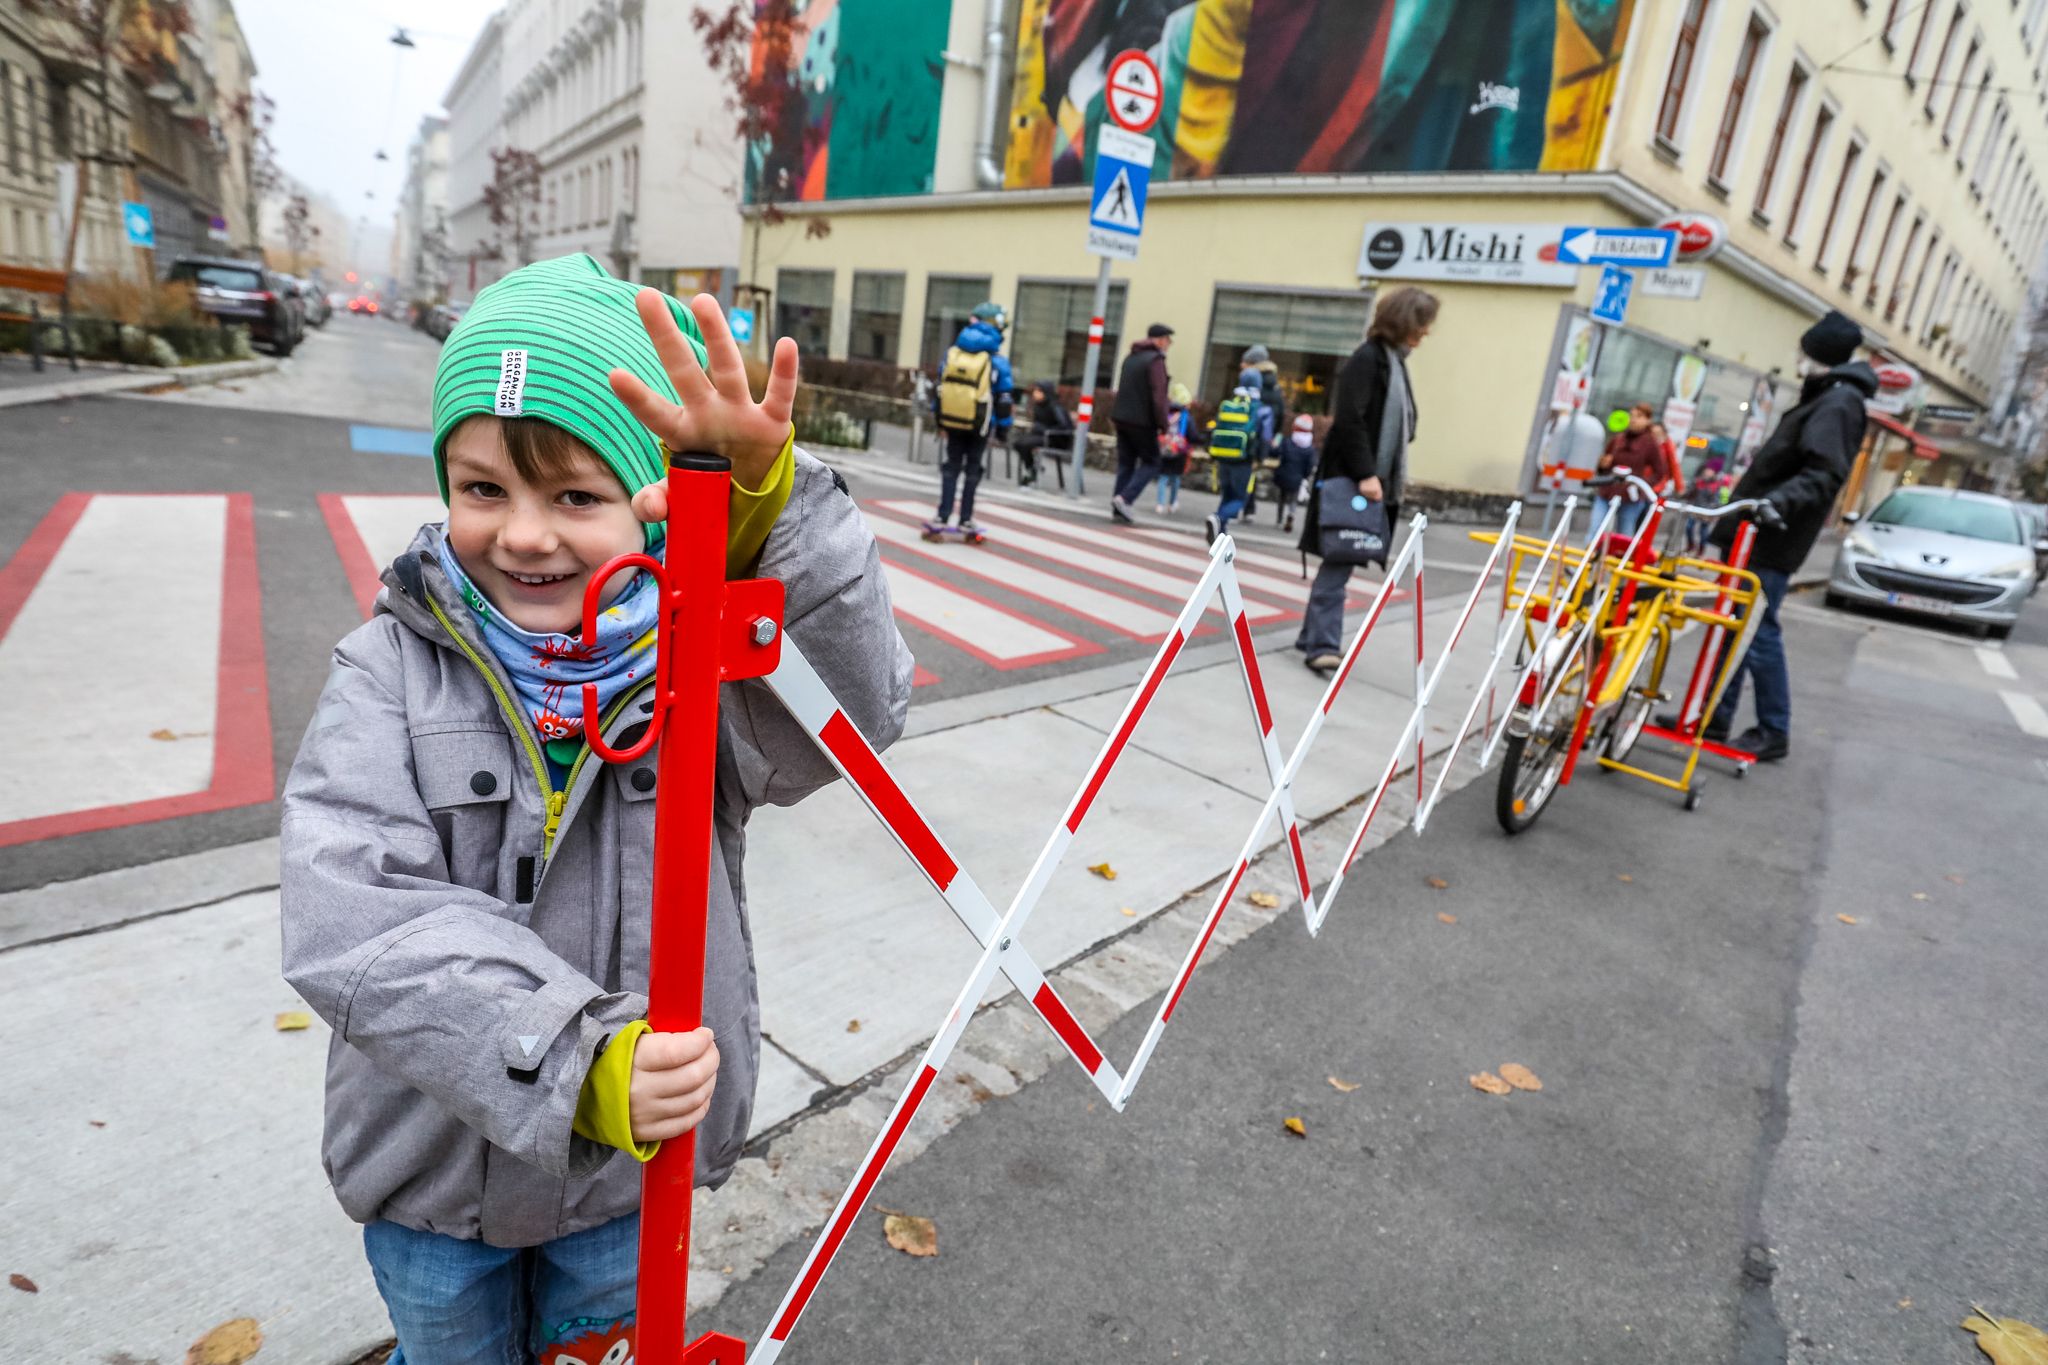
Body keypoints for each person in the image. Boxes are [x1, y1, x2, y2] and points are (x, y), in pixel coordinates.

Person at [280, 253, 915, 1361]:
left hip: (623, 1193)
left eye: (575, 495)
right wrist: (575, 1061)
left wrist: (771, 521)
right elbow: (353, 919)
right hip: (433, 1185)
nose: (523, 534)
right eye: (483, 489)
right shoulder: (387, 666)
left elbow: (848, 716)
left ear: (652, 497)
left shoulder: (697, 657)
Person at [1670, 309, 1873, 763]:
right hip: (1759, 533)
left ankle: (1772, 729)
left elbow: (1824, 472)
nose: (1798, 358)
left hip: (1770, 536)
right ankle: (1712, 717)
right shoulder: (1828, 397)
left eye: (1804, 351)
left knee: (1757, 631)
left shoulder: (1838, 403)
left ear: (1819, 354)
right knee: (1734, 630)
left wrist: (1773, 504)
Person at [1294, 285, 1438, 674]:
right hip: (1355, 479)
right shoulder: (1369, 359)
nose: (1427, 332)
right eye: (1423, 324)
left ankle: (1311, 637)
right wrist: (1366, 473)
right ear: (1406, 321)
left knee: (1343, 554)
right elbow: (1350, 422)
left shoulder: (1392, 361)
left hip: (1369, 479)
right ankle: (1322, 645)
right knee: (1340, 556)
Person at [928, 301, 1013, 537]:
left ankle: (942, 515)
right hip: (981, 424)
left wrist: (940, 422)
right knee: (973, 470)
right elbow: (1004, 398)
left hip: (953, 420)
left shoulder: (954, 352)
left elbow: (941, 388)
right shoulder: (996, 359)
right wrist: (1004, 429)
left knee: (951, 467)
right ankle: (965, 518)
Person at [1110, 322, 1174, 524]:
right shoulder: (1155, 361)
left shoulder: (1131, 357)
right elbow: (1158, 396)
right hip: (1142, 421)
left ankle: (1118, 507)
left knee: (1126, 463)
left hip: (1121, 417)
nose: (1169, 344)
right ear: (1160, 340)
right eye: (1168, 340)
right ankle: (1125, 498)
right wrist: (1164, 423)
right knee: (1153, 461)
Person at [1591, 403, 1673, 541]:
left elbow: (1660, 471)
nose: (1634, 420)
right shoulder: (1619, 439)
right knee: (1595, 530)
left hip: (1631, 497)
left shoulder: (1650, 443)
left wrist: (1640, 486)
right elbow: (1604, 464)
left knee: (1624, 536)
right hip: (1607, 491)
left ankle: (1619, 560)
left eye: (1639, 416)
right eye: (1632, 416)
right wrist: (1603, 464)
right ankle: (1590, 559)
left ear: (1648, 420)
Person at [1203, 379, 1261, 543]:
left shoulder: (1229, 403)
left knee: (1227, 494)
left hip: (1223, 455)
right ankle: (1218, 518)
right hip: (1242, 459)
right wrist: (1259, 456)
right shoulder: (1255, 406)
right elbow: (1261, 434)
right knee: (1239, 498)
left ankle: (1219, 532)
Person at [1013, 378, 1073, 490]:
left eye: (1039, 391)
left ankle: (1032, 473)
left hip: (1056, 439)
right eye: (1035, 391)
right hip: (1042, 436)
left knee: (1026, 444)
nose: (1035, 394)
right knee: (1018, 443)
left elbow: (1064, 426)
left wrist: (1045, 430)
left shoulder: (1055, 406)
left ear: (1046, 392)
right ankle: (1032, 469)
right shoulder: (1038, 406)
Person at [1276, 413, 1317, 534]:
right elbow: (1310, 465)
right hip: (1297, 478)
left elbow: (1279, 454)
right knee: (1293, 499)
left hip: (1283, 475)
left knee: (1282, 497)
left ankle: (1279, 519)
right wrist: (1305, 476)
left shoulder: (1287, 442)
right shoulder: (1309, 448)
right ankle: (1291, 514)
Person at [1157, 380, 1193, 514]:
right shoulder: (1185, 417)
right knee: (1175, 478)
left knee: (1163, 477)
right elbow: (1192, 433)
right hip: (1179, 451)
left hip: (1165, 449)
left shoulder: (1167, 414)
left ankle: (1160, 504)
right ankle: (1172, 503)